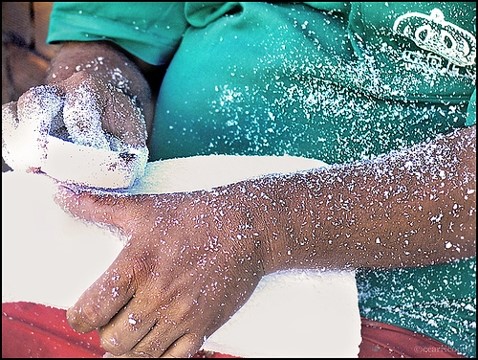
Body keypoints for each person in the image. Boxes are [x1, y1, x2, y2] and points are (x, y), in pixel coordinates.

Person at [2, 2, 476, 358]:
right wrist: (95, 89)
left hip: (376, 318)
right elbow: (110, 39)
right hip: (125, 251)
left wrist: (261, 229)